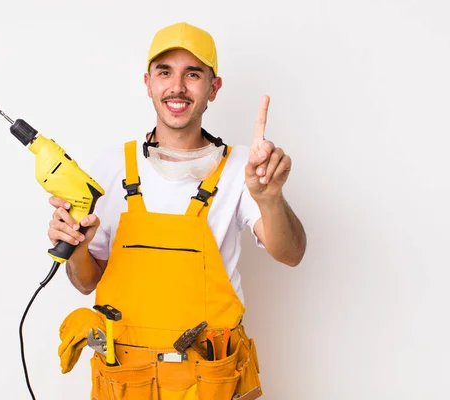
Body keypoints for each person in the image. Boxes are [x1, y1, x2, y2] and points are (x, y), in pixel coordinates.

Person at [52, 22, 306, 400]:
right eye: (165, 72)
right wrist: (76, 247)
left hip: (211, 383)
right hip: (126, 382)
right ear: (148, 82)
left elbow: (291, 254)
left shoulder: (242, 170)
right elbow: (87, 281)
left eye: (193, 74)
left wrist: (269, 198)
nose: (177, 87)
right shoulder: (109, 168)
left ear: (213, 88)